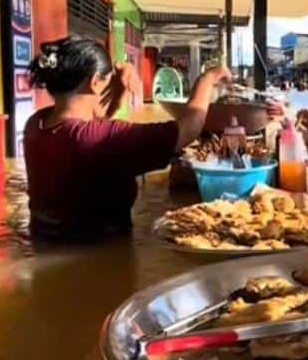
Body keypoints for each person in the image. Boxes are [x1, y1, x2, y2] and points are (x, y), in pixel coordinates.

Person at [25, 35, 230, 240]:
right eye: (107, 81)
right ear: (95, 83)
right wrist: (208, 79)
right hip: (102, 253)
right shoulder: (104, 138)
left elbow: (93, 130)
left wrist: (119, 91)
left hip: (44, 242)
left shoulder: (36, 124)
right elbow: (187, 130)